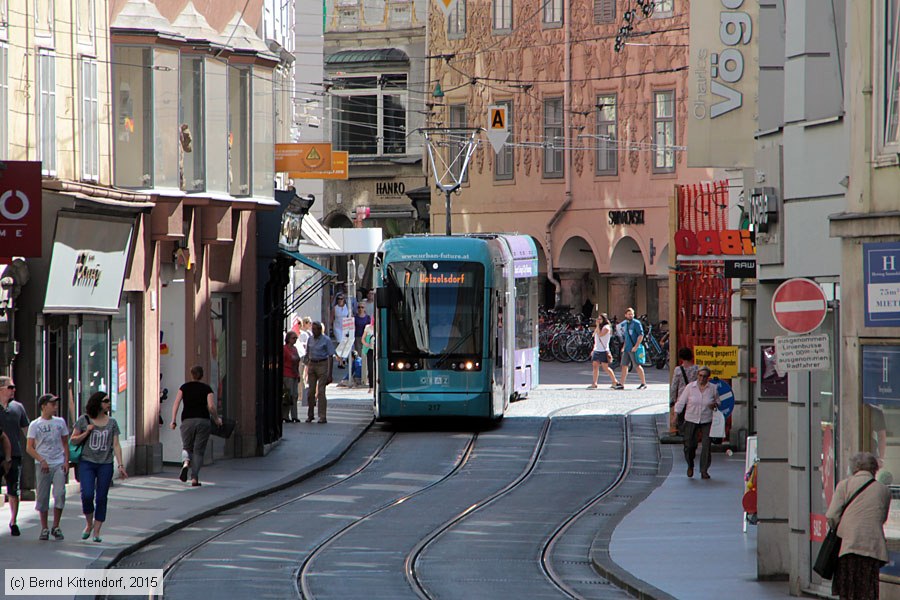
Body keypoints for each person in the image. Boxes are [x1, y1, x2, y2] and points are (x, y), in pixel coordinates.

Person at [826, 452, 890, 600]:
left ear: (854, 468)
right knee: (868, 589)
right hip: (873, 547)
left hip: (848, 545)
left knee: (849, 589)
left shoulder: (844, 485)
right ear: (874, 469)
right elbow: (882, 517)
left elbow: (831, 516)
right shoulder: (883, 490)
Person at [70, 392, 127, 543]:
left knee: (102, 497)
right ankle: (88, 523)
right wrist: (87, 431)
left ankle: (97, 530)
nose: (108, 403)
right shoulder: (84, 420)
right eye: (106, 401)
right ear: (97, 403)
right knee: (87, 495)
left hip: (105, 464)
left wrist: (120, 465)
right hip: (87, 463)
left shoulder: (112, 423)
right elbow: (73, 440)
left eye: (109, 401)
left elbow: (116, 444)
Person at [25, 394, 69, 541]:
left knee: (60, 493)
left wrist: (66, 461)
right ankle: (44, 527)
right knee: (43, 497)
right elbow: (29, 447)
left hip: (58, 463)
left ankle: (56, 526)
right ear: (44, 406)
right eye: (52, 404)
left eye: (56, 404)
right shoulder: (35, 425)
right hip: (43, 465)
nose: (55, 406)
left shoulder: (60, 422)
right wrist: (41, 459)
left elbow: (65, 443)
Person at [170, 366, 222, 487]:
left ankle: (185, 463)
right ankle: (194, 478)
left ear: (191, 374)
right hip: (203, 421)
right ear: (202, 375)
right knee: (198, 451)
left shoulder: (184, 387)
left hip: (187, 420)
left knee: (186, 447)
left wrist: (173, 420)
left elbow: (176, 403)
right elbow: (211, 407)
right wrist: (216, 419)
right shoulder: (207, 389)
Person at [674, 365, 720, 479]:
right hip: (691, 418)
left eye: (704, 376)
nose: (702, 378)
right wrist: (675, 415)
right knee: (689, 445)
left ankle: (704, 470)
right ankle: (690, 464)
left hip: (706, 419)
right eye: (700, 375)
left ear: (708, 377)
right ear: (697, 375)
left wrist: (714, 405)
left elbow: (718, 402)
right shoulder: (690, 387)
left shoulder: (713, 388)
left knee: (706, 446)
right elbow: (681, 402)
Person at [0, 375, 29, 536]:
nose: (13, 390)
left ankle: (13, 521)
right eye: (10, 387)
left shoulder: (18, 407)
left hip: (15, 454)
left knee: (14, 489)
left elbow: (26, 431)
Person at [306, 322, 338, 424]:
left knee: (321, 391)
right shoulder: (310, 339)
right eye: (313, 329)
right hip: (312, 364)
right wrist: (307, 366)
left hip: (322, 364)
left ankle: (322, 416)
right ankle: (310, 415)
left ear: (320, 330)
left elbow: (331, 356)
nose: (313, 331)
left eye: (315, 329)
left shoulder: (326, 340)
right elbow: (307, 353)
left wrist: (330, 374)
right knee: (311, 392)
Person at [669, 347, 699, 434]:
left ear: (681, 357)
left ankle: (683, 435)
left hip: (682, 398)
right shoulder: (697, 369)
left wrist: (672, 400)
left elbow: (674, 386)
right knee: (693, 419)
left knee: (681, 419)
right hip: (694, 397)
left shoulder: (678, 370)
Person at [589, 313, 621, 389]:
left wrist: (597, 326)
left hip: (603, 350)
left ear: (604, 320)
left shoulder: (606, 328)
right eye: (598, 319)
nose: (598, 320)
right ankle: (594, 383)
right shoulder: (599, 327)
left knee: (605, 367)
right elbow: (595, 338)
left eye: (600, 319)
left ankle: (614, 381)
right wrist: (593, 349)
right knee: (595, 366)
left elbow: (600, 335)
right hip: (597, 349)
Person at [618, 308, 647, 389]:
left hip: (633, 348)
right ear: (625, 315)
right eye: (629, 314)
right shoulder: (626, 323)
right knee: (624, 365)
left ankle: (643, 383)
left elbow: (641, 335)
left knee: (637, 365)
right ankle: (621, 383)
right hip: (627, 348)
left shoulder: (636, 323)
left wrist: (636, 346)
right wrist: (624, 346)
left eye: (632, 314)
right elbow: (626, 336)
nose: (630, 315)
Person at [283, 331, 302, 423]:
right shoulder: (285, 349)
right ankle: (285, 415)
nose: (295, 340)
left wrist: (298, 374)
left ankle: (295, 415)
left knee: (295, 396)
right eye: (293, 338)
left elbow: (297, 362)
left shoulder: (295, 349)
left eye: (296, 338)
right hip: (287, 374)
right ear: (288, 339)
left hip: (294, 374)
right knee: (288, 395)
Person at [353, 304, 372, 386]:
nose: (360, 309)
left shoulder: (367, 318)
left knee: (365, 356)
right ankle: (360, 373)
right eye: (359, 307)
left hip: (366, 339)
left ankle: (365, 374)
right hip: (357, 337)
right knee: (359, 355)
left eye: (362, 307)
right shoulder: (355, 318)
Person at [362, 319, 375, 394]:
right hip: (370, 349)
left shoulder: (380, 326)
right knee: (370, 368)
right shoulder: (368, 327)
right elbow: (363, 338)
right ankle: (371, 386)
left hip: (378, 349)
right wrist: (366, 344)